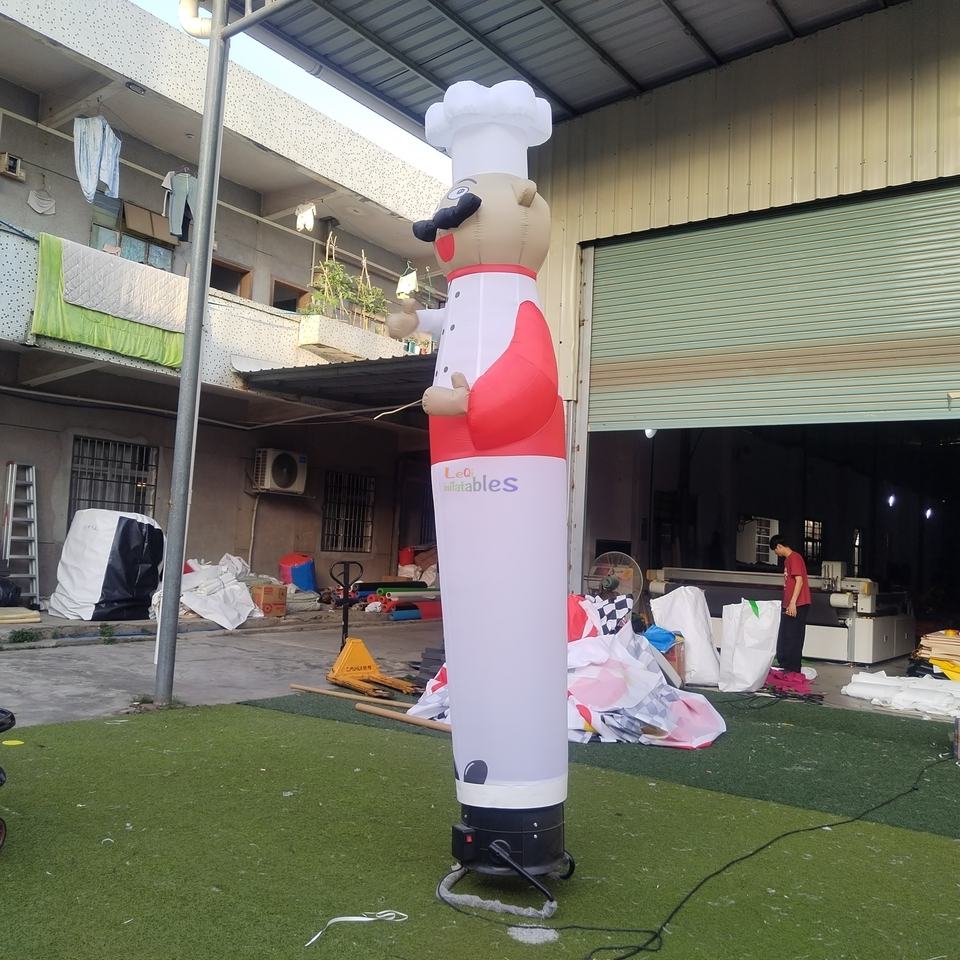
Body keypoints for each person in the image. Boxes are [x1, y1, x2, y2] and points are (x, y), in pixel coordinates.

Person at [769, 534, 811, 674]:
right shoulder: (788, 560)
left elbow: (800, 581)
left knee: (794, 636)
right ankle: (785, 664)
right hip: (789, 604)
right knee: (785, 635)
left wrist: (793, 603)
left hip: (798, 604)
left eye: (775, 550)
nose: (776, 553)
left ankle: (793, 668)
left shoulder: (795, 558)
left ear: (779, 546)